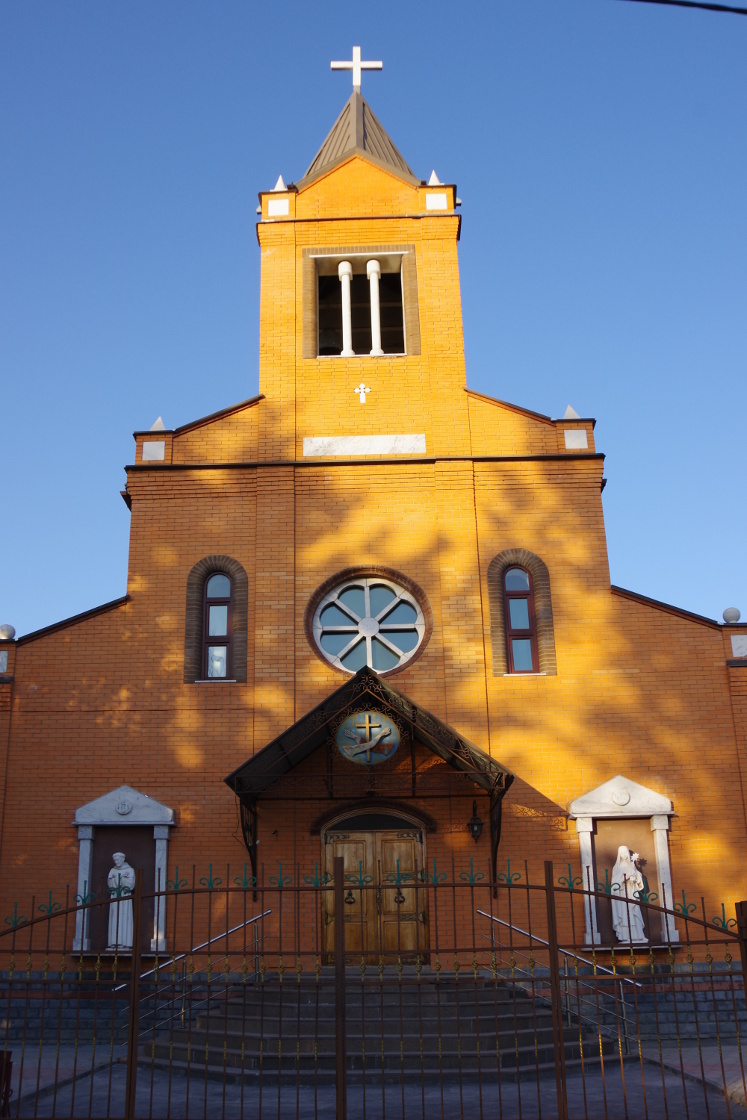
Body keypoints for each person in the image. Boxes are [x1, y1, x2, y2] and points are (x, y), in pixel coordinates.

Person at [610, 846, 647, 943]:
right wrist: (624, 878)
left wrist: (635, 878)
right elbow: (615, 884)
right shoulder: (616, 868)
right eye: (622, 853)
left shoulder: (632, 866)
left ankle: (639, 935)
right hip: (622, 895)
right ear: (619, 855)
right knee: (625, 915)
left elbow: (639, 881)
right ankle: (625, 936)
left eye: (625, 853)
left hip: (632, 893)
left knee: (635, 913)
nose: (624, 855)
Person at [106, 852, 136, 950]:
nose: (116, 861)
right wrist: (116, 881)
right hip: (115, 895)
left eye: (118, 859)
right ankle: (114, 942)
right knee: (114, 917)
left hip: (125, 895)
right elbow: (110, 883)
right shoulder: (112, 870)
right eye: (115, 860)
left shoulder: (130, 870)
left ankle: (125, 942)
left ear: (123, 859)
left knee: (125, 917)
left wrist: (121, 880)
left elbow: (130, 885)